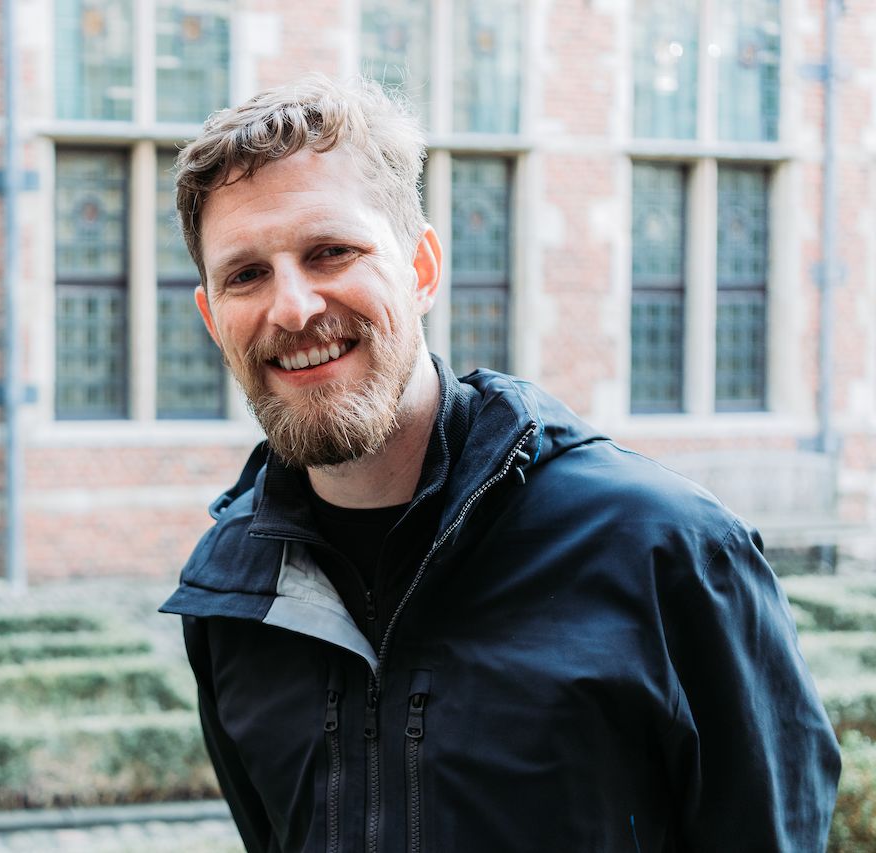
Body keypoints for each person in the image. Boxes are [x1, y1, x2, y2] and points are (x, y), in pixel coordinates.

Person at [159, 75, 840, 853]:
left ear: (421, 269)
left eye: (330, 251)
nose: (293, 307)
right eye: (246, 273)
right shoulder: (231, 594)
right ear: (214, 318)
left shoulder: (665, 552)